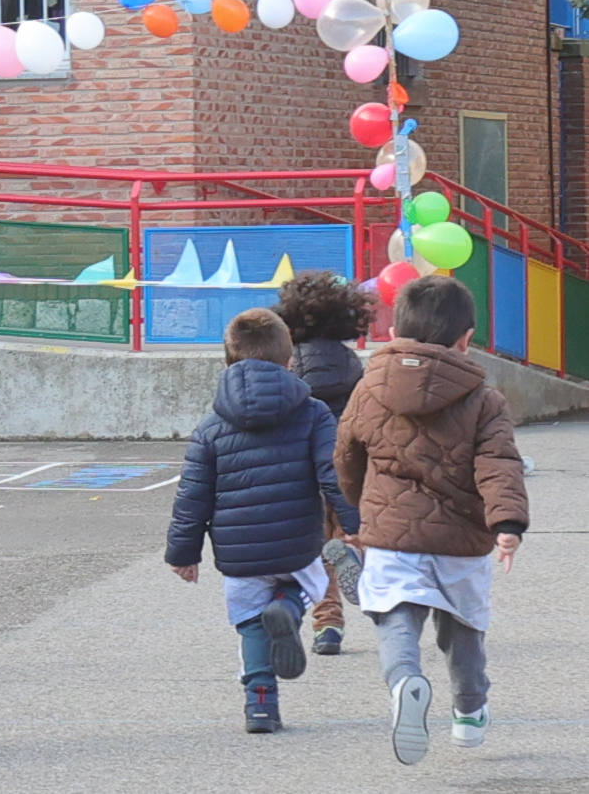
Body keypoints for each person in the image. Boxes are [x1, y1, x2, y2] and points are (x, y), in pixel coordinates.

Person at [333, 275, 529, 765]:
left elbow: (346, 457)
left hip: (391, 536)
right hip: (461, 540)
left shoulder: (368, 389)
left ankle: (405, 682)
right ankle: (469, 713)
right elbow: (498, 464)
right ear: (466, 338)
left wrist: (363, 509)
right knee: (463, 628)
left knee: (396, 616)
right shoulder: (485, 400)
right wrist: (506, 524)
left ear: (397, 327)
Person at [164, 308, 360, 734]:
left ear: (229, 362)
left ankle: (260, 705)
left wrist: (183, 553)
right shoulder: (313, 414)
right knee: (303, 584)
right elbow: (333, 473)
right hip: (296, 541)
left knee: (251, 621)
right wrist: (354, 523)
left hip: (238, 552)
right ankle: (288, 612)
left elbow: (191, 495)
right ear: (288, 361)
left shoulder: (211, 427)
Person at [273, 270, 374, 656]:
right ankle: (359, 563)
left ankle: (328, 624)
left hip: (304, 467)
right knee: (345, 532)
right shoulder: (350, 363)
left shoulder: (291, 362)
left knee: (314, 548)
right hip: (345, 465)